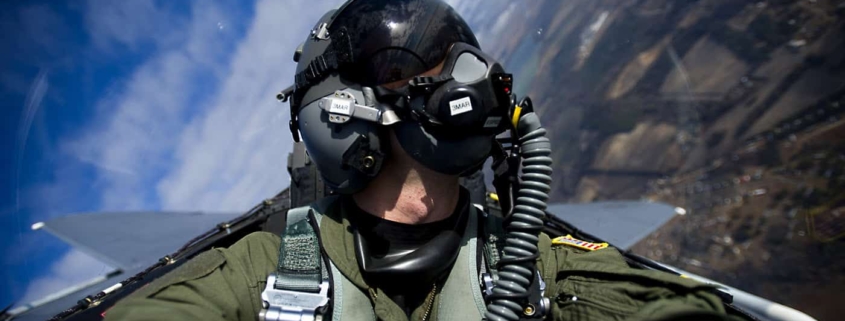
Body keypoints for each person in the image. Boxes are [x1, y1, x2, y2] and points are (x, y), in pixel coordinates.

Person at [105, 0, 743, 320]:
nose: (463, 85)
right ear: (337, 117)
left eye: (455, 63)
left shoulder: (532, 260)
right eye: (409, 68)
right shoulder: (257, 279)